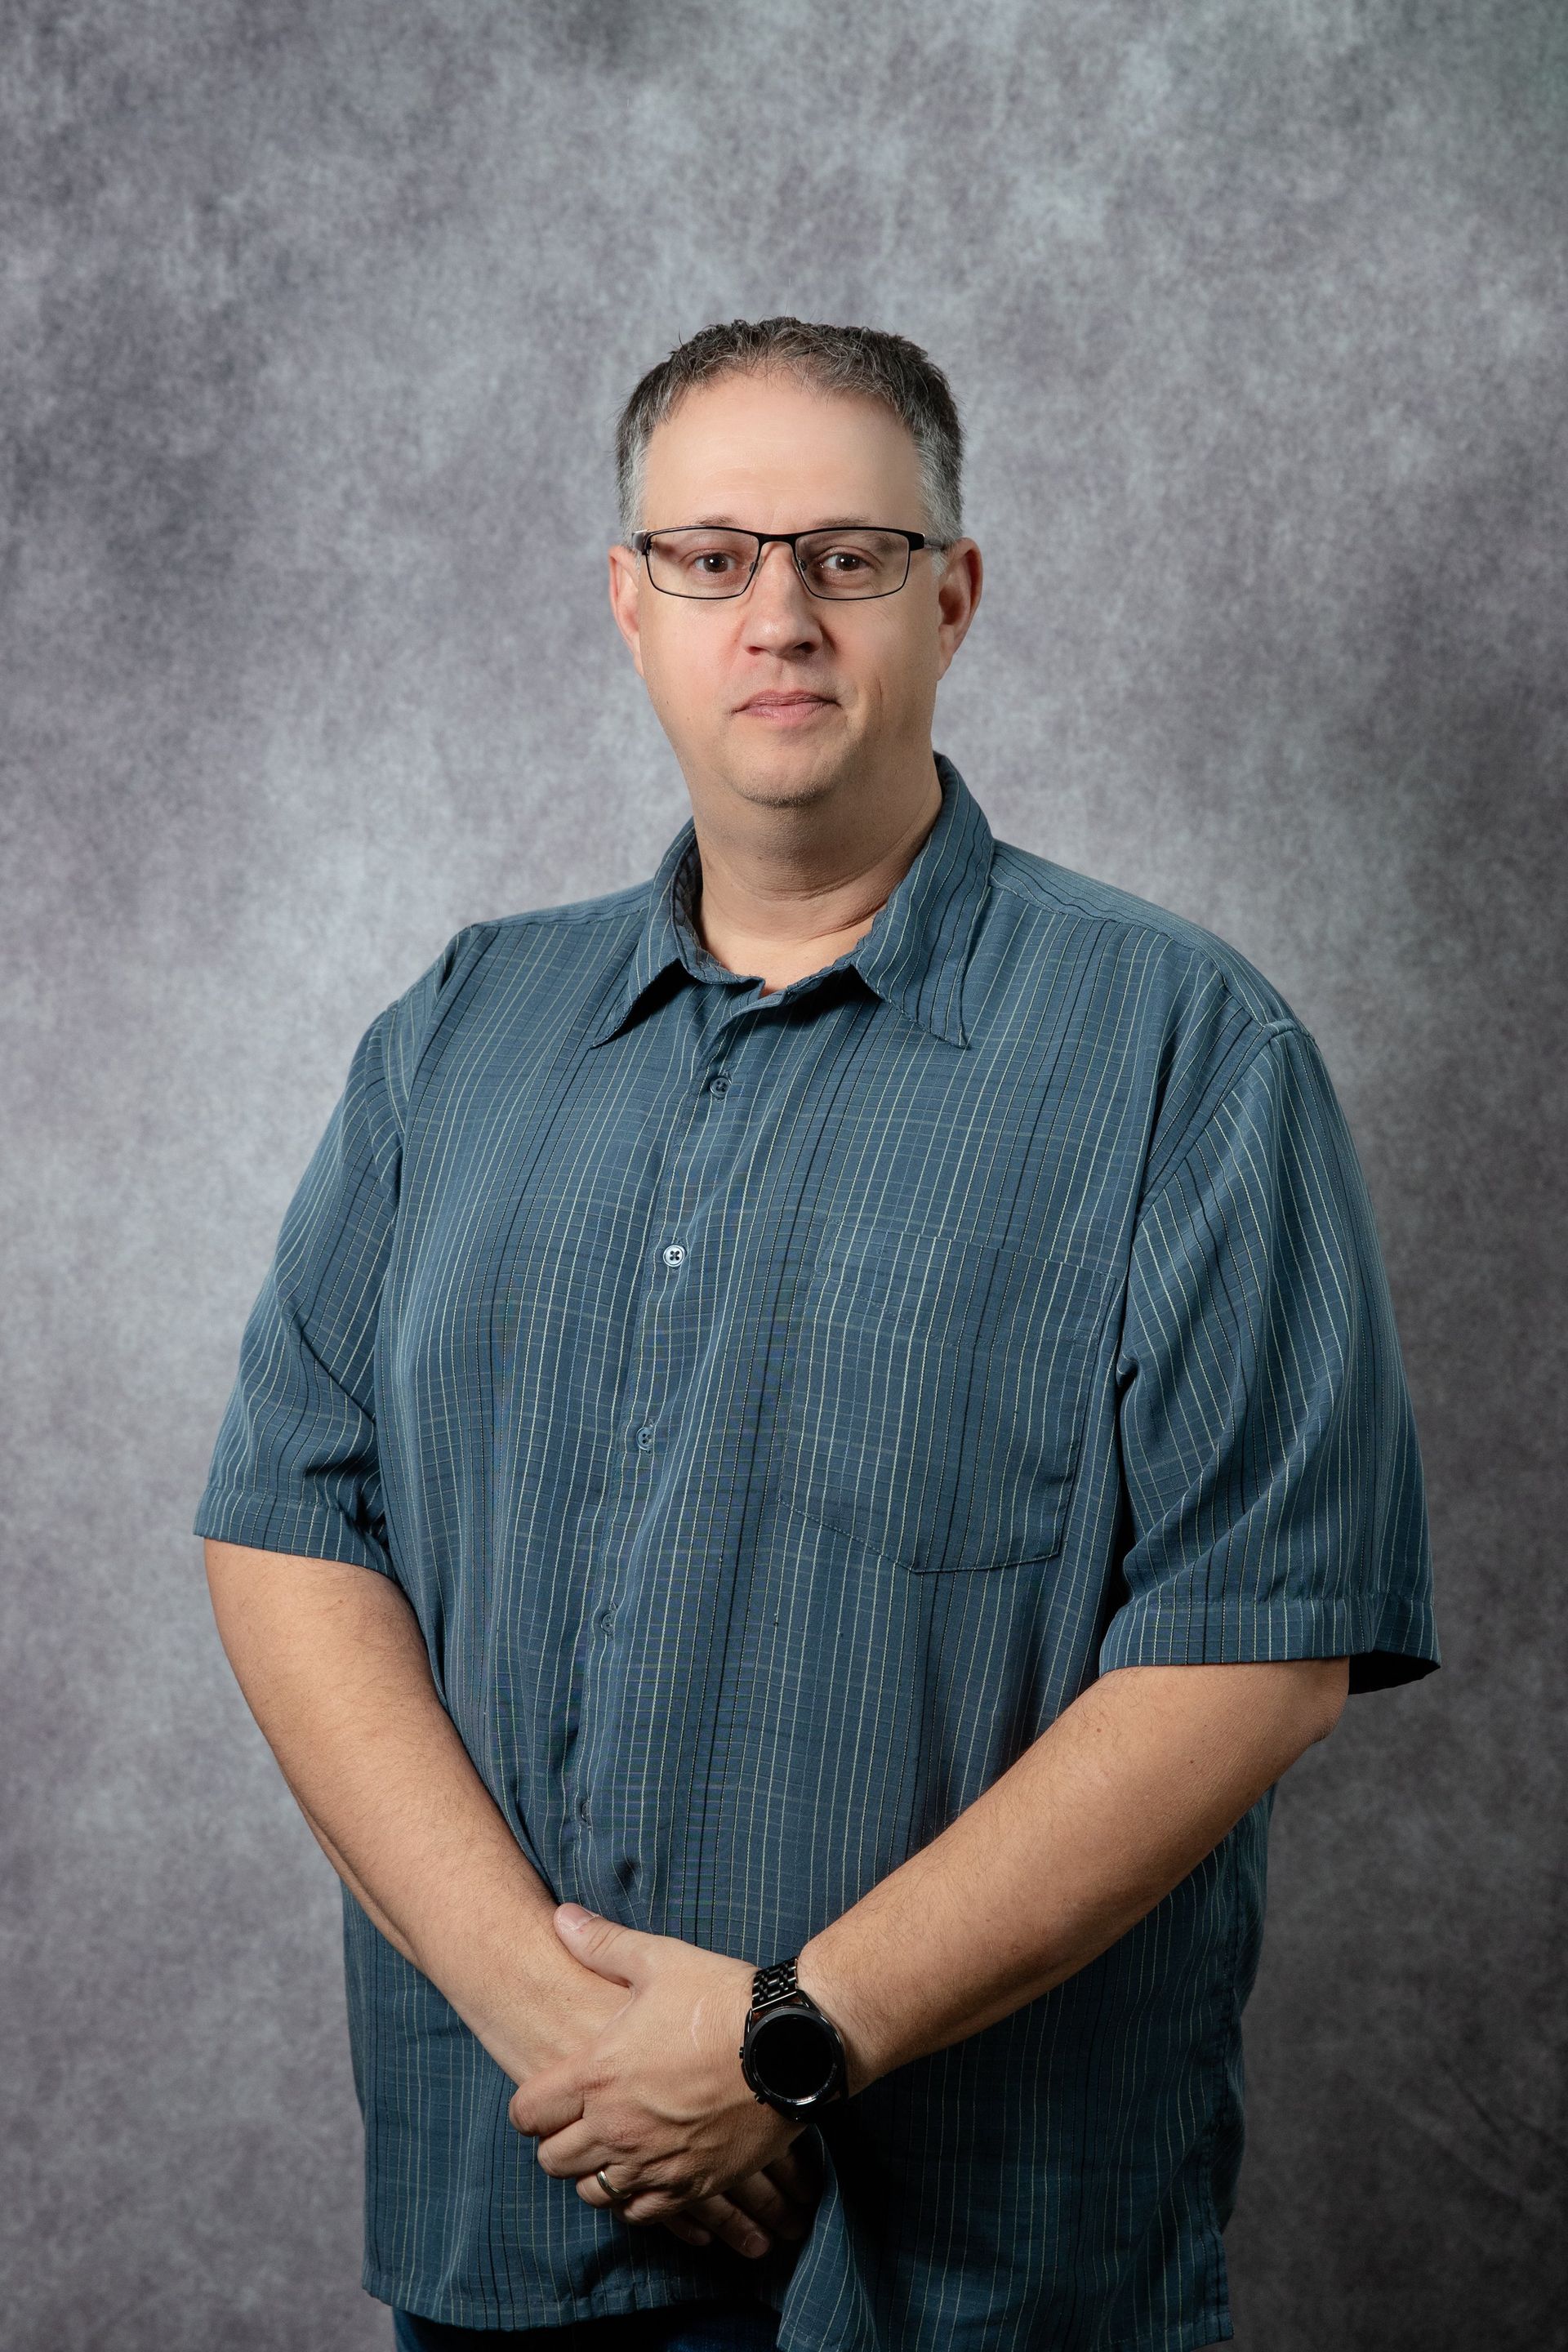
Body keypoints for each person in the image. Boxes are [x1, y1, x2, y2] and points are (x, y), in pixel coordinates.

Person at [195, 316, 1439, 2352]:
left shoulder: (1187, 1053)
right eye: (712, 556)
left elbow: (1258, 1649)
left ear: (953, 594)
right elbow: (287, 1533)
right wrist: (560, 2026)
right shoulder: (454, 1040)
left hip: (981, 2272)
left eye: (848, 556)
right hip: (520, 2208)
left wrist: (785, 2039)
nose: (778, 611)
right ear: (632, 601)